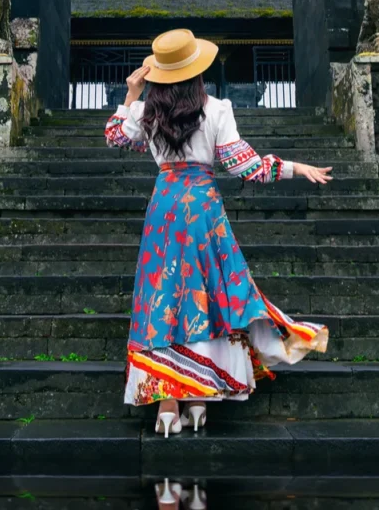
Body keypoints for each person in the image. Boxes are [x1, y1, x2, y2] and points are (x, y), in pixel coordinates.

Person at [104, 29, 332, 438]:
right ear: (197, 71)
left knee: (162, 297)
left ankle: (166, 404)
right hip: (203, 211)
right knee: (206, 296)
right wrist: (296, 167)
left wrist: (130, 93)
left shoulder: (146, 113)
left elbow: (114, 136)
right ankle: (197, 400)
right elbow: (248, 167)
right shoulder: (216, 110)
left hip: (164, 211)